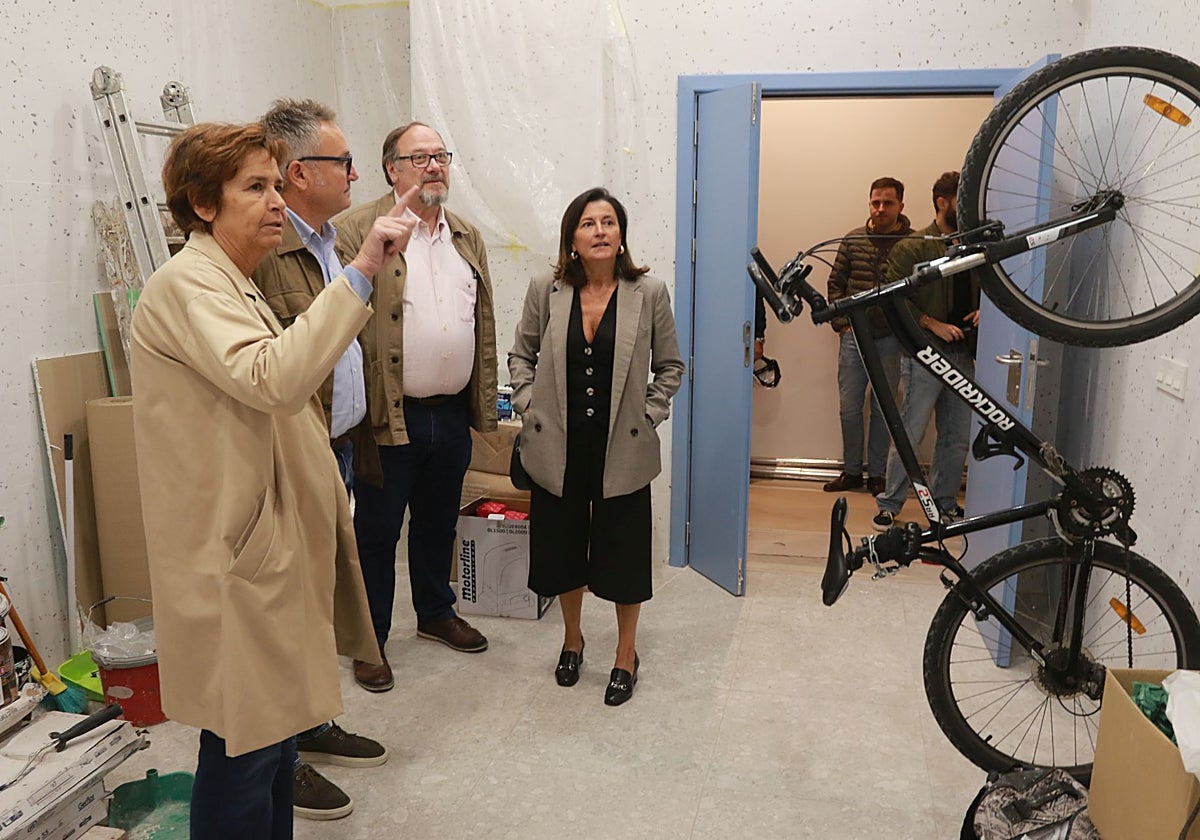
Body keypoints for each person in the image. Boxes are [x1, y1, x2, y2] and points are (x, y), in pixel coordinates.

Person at [130, 121, 416, 839]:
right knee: (245, 752)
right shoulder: (189, 284)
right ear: (202, 203)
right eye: (254, 188)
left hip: (268, 545)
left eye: (273, 186)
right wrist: (360, 275)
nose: (275, 204)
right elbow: (274, 379)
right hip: (235, 560)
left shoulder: (232, 280)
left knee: (276, 740)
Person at [251, 99, 389, 821]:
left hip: (337, 448)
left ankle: (309, 725)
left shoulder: (331, 238)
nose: (356, 174)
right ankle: (287, 757)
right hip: (291, 459)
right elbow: (283, 366)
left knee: (315, 606)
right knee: (290, 612)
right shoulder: (267, 254)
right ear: (300, 171)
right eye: (344, 163)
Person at [334, 122, 498, 692]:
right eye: (420, 157)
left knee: (436, 521)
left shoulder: (466, 236)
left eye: (441, 156)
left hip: (450, 411)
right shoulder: (357, 230)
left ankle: (434, 612)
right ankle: (370, 640)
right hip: (386, 414)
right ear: (391, 169)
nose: (434, 166)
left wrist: (485, 406)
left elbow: (482, 325)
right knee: (376, 532)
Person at [508, 187, 684, 707]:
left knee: (624, 556)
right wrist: (526, 404)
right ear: (572, 238)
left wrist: (648, 415)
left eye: (609, 222)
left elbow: (671, 366)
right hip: (557, 448)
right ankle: (572, 640)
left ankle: (626, 655)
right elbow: (521, 353)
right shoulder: (547, 288)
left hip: (622, 450)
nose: (600, 231)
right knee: (563, 552)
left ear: (621, 235)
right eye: (589, 223)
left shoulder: (647, 293)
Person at [873, 171, 979, 532]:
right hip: (925, 354)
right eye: (961, 201)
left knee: (956, 435)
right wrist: (930, 323)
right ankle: (890, 503)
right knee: (911, 430)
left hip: (965, 353)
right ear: (942, 203)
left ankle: (945, 504)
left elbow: (993, 288)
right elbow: (890, 296)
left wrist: (986, 312)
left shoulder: (974, 246)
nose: (969, 209)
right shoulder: (914, 247)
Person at [825, 177, 912, 495]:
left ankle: (877, 475)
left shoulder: (913, 243)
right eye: (875, 202)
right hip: (853, 337)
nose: (880, 209)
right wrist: (842, 324)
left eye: (888, 203)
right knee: (849, 407)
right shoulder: (853, 239)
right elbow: (835, 283)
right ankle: (851, 473)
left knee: (883, 408)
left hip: (891, 339)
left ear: (901, 205)